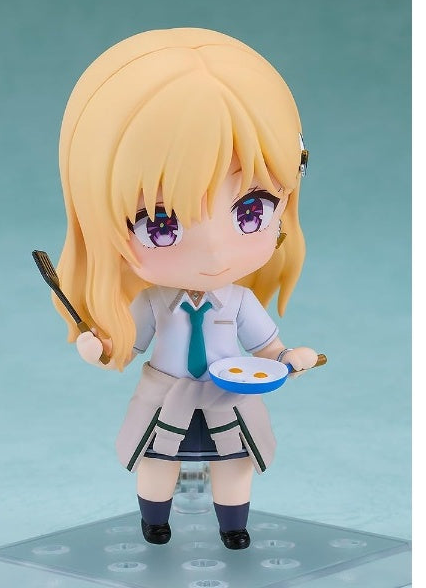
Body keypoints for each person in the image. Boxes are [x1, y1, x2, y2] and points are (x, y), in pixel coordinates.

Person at [52, 27, 318, 550]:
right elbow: (126, 344)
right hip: (166, 396)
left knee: (234, 464)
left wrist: (289, 357)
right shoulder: (154, 302)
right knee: (157, 462)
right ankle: (154, 521)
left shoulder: (238, 301)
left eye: (251, 210)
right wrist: (98, 347)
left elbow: (267, 347)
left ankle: (234, 526)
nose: (215, 254)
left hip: (229, 396)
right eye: (160, 224)